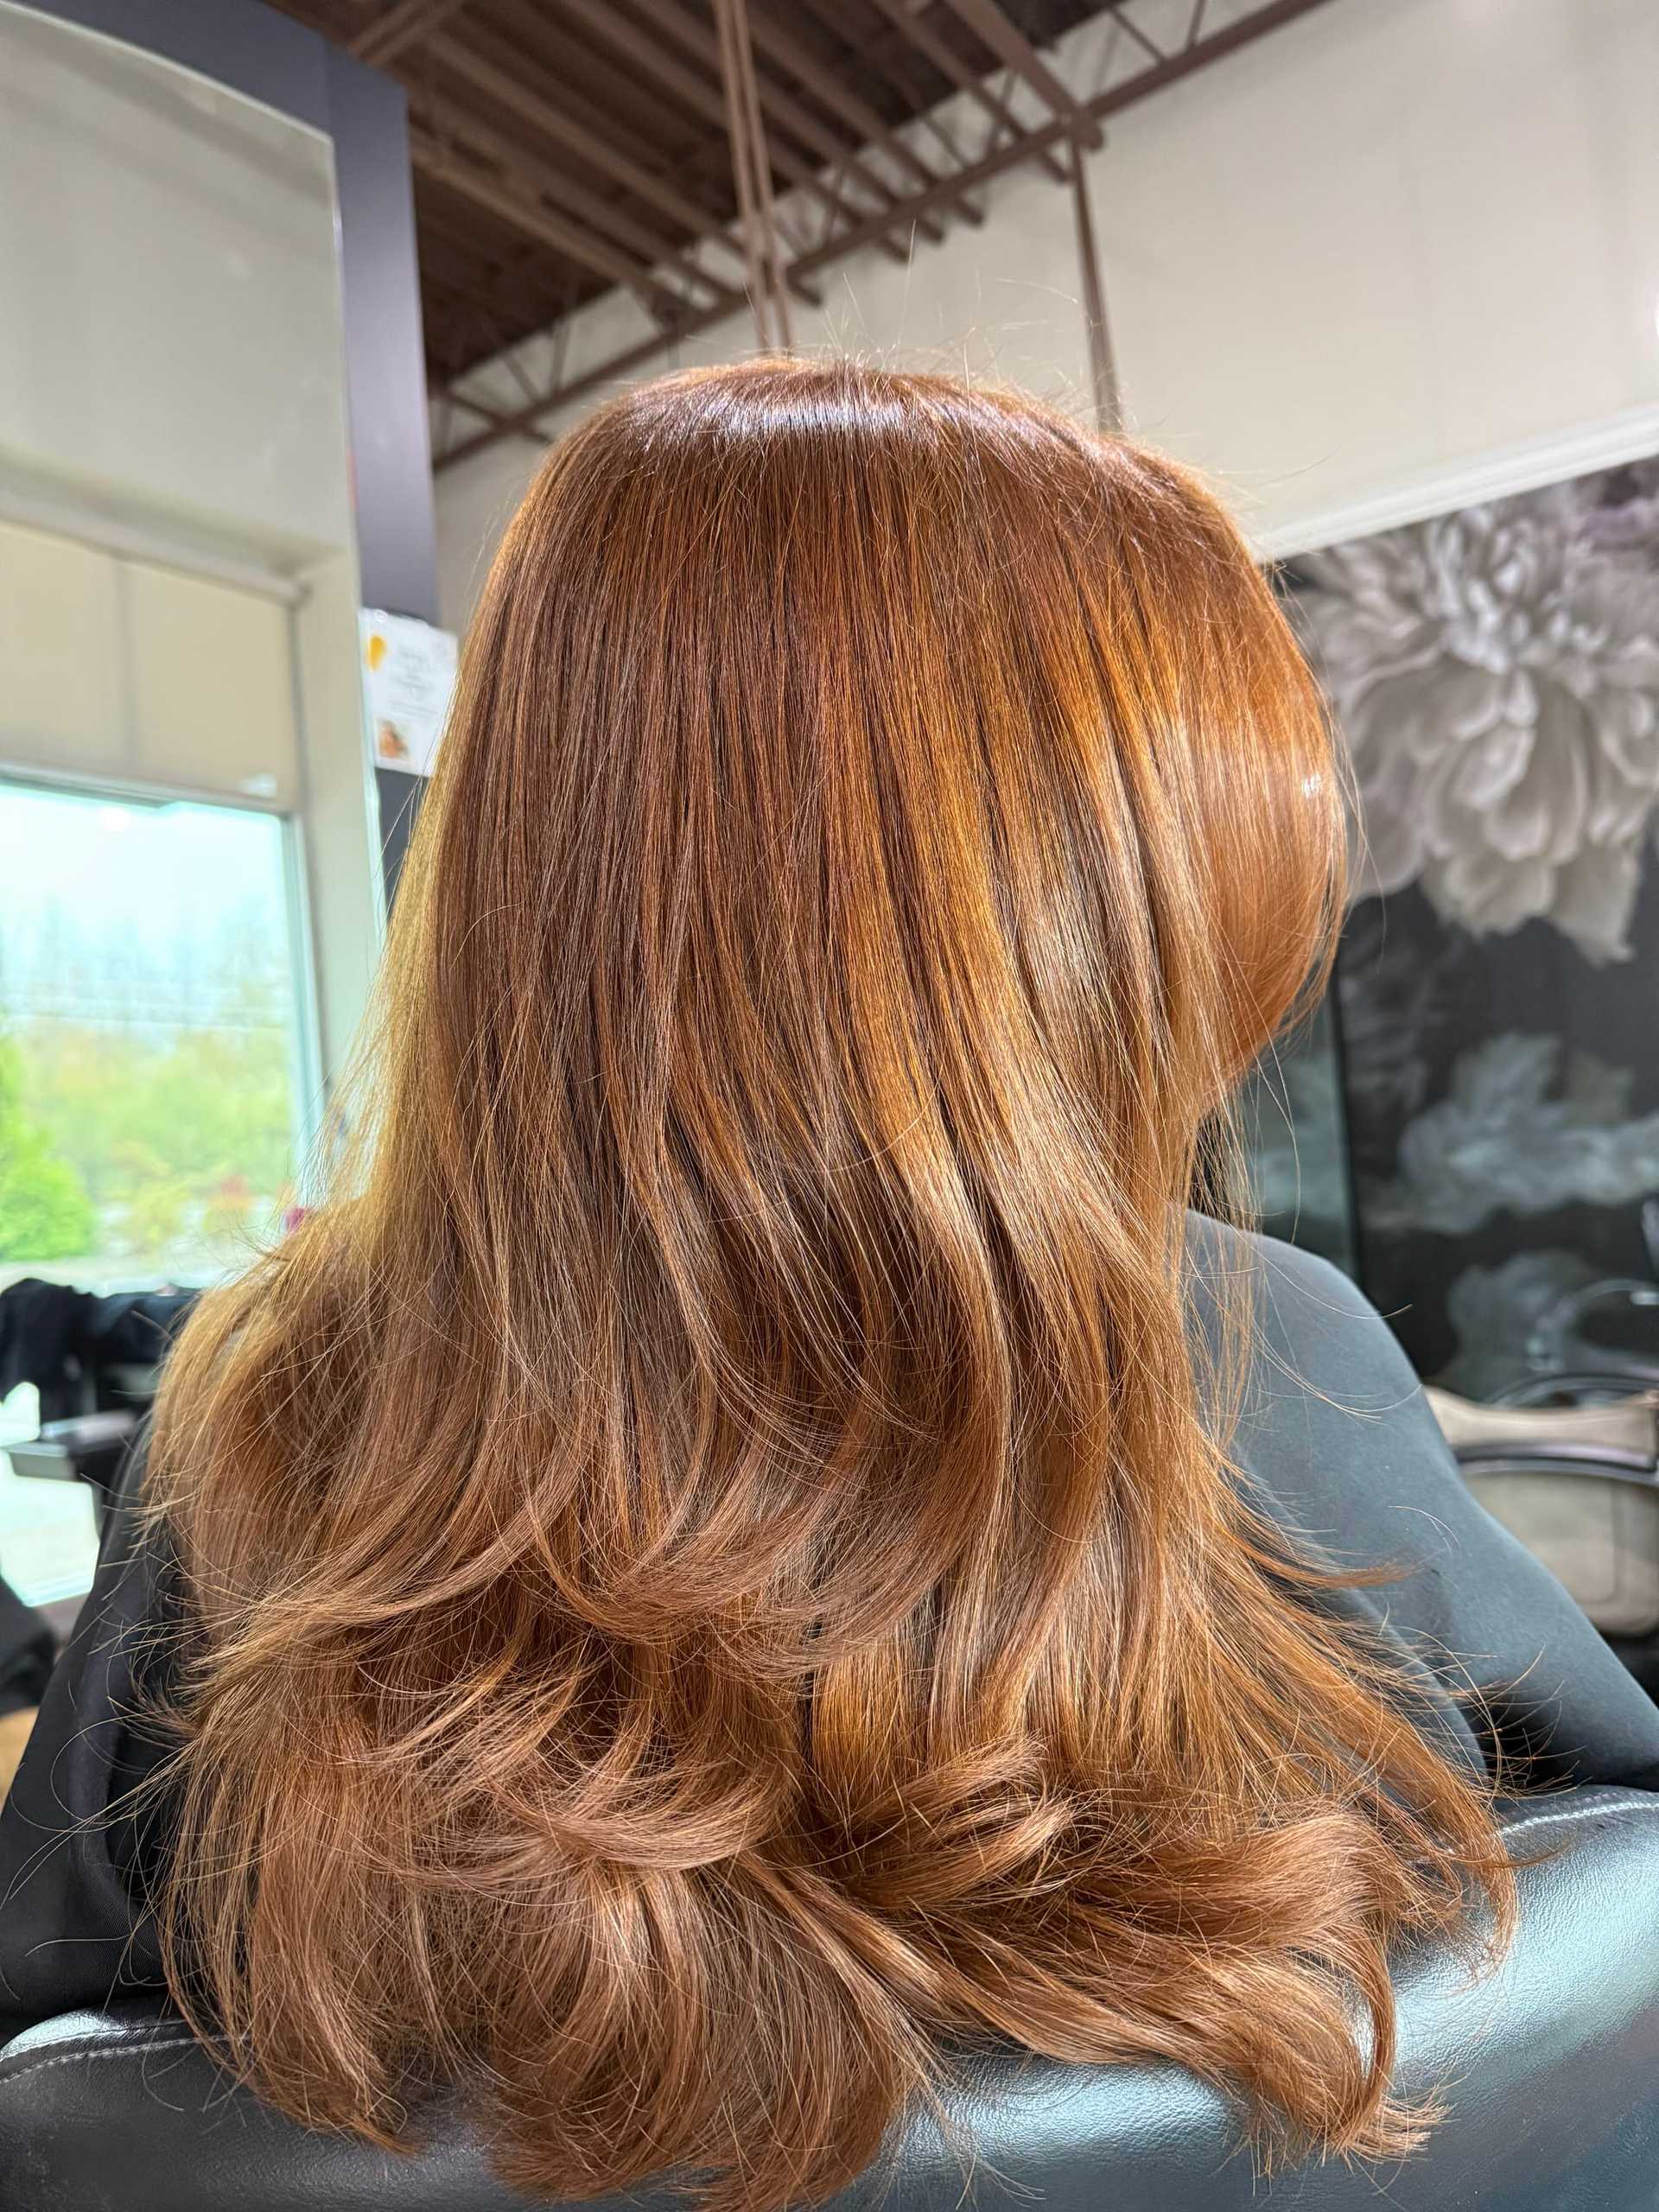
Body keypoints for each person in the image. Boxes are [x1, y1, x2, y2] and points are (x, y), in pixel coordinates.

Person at [3, 359, 1657, 2212]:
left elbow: (69, 2093)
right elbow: (1610, 1898)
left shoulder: (277, 1410)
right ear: (1093, 926)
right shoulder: (1277, 1345)